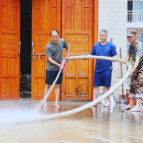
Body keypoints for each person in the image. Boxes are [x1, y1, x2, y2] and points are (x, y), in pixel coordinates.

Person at [90, 29, 117, 107]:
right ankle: (94, 102)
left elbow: (115, 55)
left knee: (106, 86)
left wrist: (114, 58)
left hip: (107, 69)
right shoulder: (96, 46)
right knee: (96, 86)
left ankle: (105, 101)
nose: (101, 37)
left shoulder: (111, 46)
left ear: (106, 36)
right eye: (100, 35)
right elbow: (91, 54)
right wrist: (86, 56)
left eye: (103, 36)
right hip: (98, 69)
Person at [44, 30, 70, 108]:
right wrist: (58, 64)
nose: (55, 38)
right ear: (50, 37)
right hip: (50, 68)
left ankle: (56, 103)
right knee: (48, 85)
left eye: (56, 37)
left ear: (58, 36)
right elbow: (49, 59)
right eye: (53, 37)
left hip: (59, 68)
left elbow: (68, 46)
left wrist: (67, 55)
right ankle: (45, 102)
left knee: (57, 85)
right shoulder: (48, 46)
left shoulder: (62, 41)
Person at [122, 30, 143, 112]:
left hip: (141, 68)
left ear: (135, 36)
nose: (129, 38)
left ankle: (138, 107)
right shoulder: (131, 45)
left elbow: (137, 61)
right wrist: (127, 63)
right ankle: (131, 105)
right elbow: (127, 56)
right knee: (132, 85)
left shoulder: (139, 46)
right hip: (135, 67)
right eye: (128, 37)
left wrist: (131, 70)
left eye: (130, 37)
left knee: (138, 85)